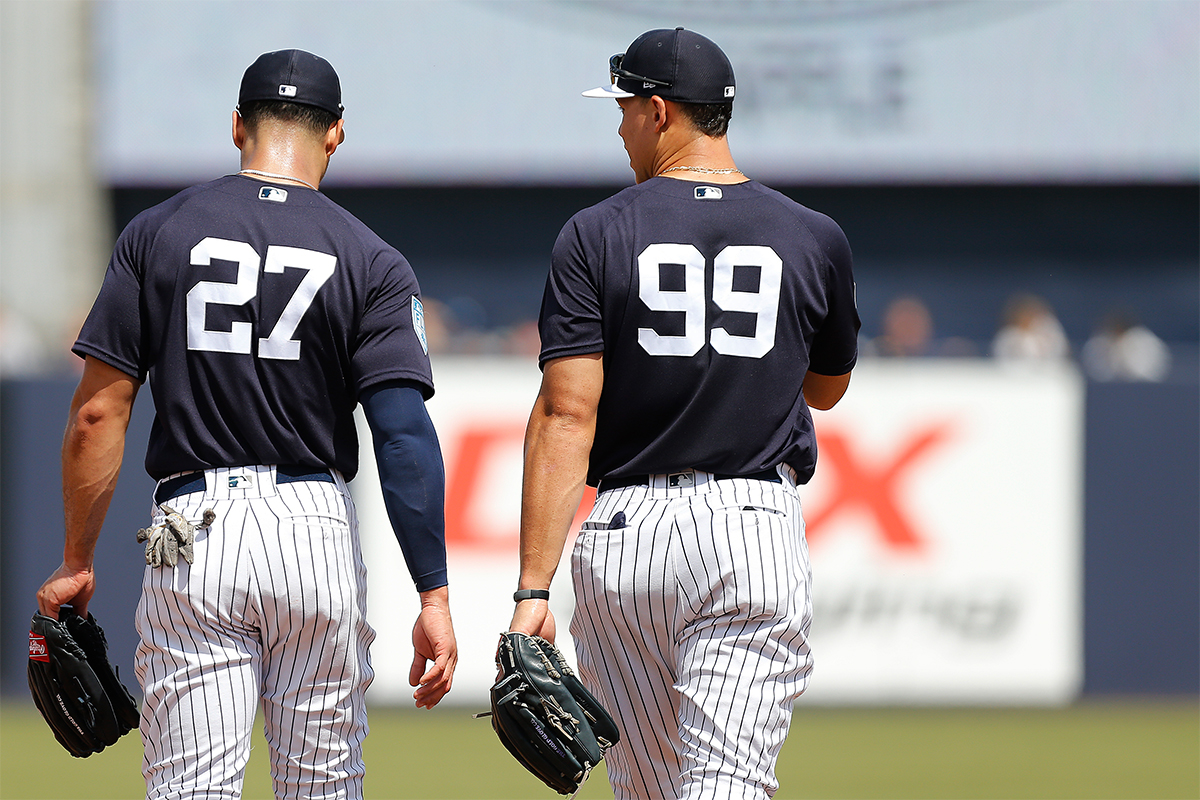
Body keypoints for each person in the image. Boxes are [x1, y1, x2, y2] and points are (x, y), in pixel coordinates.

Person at [35, 49, 457, 799]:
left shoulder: (158, 232)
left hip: (194, 530)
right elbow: (402, 436)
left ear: (237, 125)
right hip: (313, 527)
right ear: (335, 134)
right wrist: (433, 595)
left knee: (190, 788)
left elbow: (98, 411)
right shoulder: (372, 258)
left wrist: (76, 558)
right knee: (323, 787)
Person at [506, 28, 860, 800]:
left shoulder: (595, 232)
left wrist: (533, 589)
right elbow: (827, 388)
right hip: (748, 527)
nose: (621, 127)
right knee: (727, 784)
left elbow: (566, 416)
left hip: (625, 534)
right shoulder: (812, 235)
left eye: (626, 109)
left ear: (660, 111)